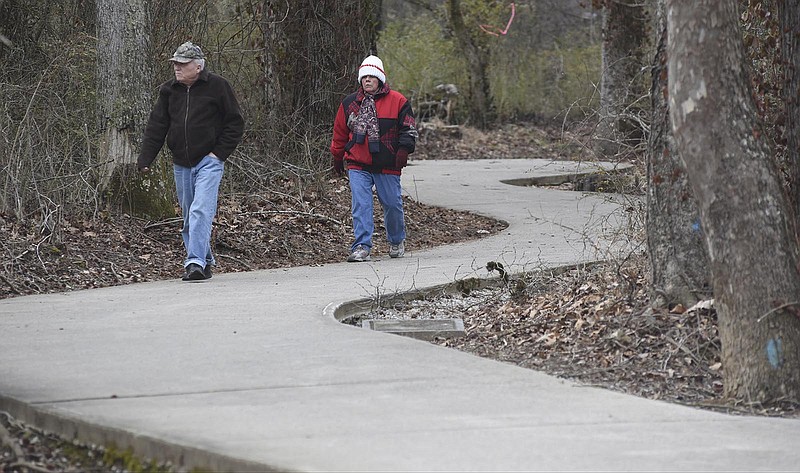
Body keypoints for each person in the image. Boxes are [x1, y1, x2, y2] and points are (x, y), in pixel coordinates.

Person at [138, 41, 244, 281]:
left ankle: (194, 262)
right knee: (189, 216)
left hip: (209, 161)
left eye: (182, 64)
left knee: (199, 211)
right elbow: (157, 126)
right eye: (175, 63)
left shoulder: (218, 87)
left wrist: (218, 154)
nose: (177, 68)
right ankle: (205, 261)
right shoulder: (169, 91)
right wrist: (146, 158)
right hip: (181, 163)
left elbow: (235, 123)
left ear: (197, 67)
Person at [330, 54, 418, 262]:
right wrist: (337, 155)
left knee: (392, 204)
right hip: (358, 162)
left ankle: (396, 240)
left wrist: (404, 150)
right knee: (361, 204)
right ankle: (362, 246)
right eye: (364, 77)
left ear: (380, 79)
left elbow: (409, 128)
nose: (367, 80)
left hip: (387, 163)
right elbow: (340, 132)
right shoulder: (350, 103)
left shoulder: (398, 101)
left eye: (372, 76)